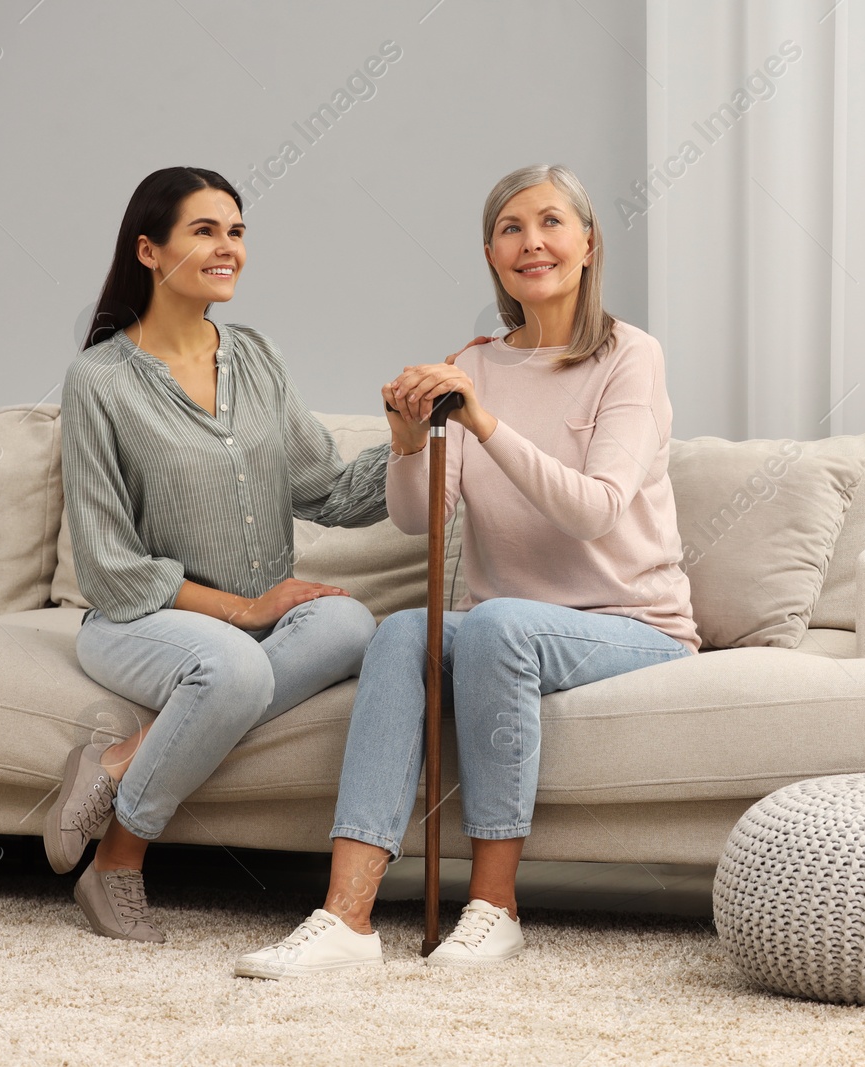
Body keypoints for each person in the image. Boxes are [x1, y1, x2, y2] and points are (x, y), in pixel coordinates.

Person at [236, 163, 701, 978]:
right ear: (491, 253)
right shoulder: (476, 362)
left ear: (589, 243)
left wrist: (481, 422)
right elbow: (420, 518)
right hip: (508, 628)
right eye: (511, 228)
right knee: (403, 631)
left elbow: (594, 508)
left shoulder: (630, 356)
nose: (533, 243)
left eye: (552, 223)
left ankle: (494, 909)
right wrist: (410, 438)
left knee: (495, 622)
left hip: (633, 625)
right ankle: (346, 918)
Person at [52, 167, 395, 943]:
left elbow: (330, 491)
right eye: (205, 231)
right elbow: (109, 565)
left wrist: (406, 444)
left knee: (349, 623)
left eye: (236, 232)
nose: (227, 248)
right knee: (233, 667)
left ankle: (116, 763)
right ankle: (116, 864)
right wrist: (244, 608)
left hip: (252, 623)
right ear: (148, 249)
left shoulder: (257, 356)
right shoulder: (98, 381)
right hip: (142, 618)